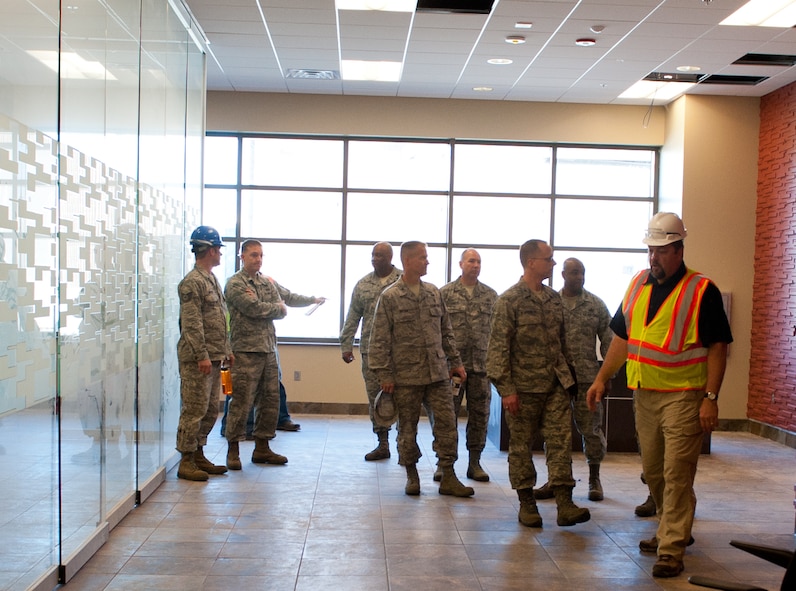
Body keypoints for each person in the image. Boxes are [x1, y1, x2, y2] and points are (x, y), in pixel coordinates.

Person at [586, 212, 732, 579]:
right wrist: (602, 378)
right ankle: (674, 525)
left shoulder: (702, 290)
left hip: (684, 396)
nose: (653, 258)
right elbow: (622, 338)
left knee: (677, 471)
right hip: (645, 395)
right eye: (650, 250)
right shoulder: (638, 285)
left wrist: (710, 397)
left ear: (679, 250)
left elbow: (718, 347)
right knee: (653, 472)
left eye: (662, 251)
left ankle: (671, 547)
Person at [487, 239, 590, 528]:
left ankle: (565, 503)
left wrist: (571, 378)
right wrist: (506, 390)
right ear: (531, 262)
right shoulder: (509, 301)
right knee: (521, 446)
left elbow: (563, 342)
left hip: (555, 384)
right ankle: (526, 503)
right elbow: (497, 350)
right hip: (523, 388)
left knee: (560, 442)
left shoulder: (553, 299)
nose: (553, 264)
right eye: (548, 259)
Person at [369, 241, 473, 497]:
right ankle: (412, 475)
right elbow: (379, 339)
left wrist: (456, 362)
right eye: (423, 258)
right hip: (406, 377)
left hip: (437, 374)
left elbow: (446, 331)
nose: (427, 262)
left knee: (448, 425)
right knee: (407, 428)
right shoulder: (390, 297)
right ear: (408, 261)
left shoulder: (433, 293)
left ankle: (448, 474)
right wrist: (385, 375)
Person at [223, 239, 324, 470]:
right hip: (245, 352)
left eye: (260, 255)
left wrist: (312, 300)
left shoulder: (267, 281)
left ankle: (262, 448)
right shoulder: (235, 284)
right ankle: (233, 450)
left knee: (270, 400)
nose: (258, 259)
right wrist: (277, 309)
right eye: (253, 255)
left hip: (268, 351)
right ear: (242, 257)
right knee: (240, 402)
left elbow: (286, 296)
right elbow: (253, 308)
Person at [533, 258, 613, 502]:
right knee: (555, 434)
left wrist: (607, 376)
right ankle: (556, 479)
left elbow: (610, 340)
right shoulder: (551, 304)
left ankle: (594, 478)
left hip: (587, 380)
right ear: (564, 275)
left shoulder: (595, 305)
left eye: (582, 273)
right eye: (574, 273)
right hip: (556, 381)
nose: (579, 277)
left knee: (591, 431)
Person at [175, 226, 233, 481]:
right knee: (195, 408)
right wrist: (201, 355)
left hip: (214, 356)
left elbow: (220, 319)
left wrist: (226, 350)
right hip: (198, 359)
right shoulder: (192, 282)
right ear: (210, 250)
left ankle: (198, 453)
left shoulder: (210, 279)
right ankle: (186, 460)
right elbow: (192, 323)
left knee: (210, 409)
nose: (220, 253)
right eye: (218, 249)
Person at [340, 242, 402, 460]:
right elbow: (353, 317)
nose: (375, 259)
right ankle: (382, 443)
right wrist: (346, 344)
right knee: (376, 399)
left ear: (391, 257)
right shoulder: (363, 284)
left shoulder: (402, 281)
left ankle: (404, 445)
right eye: (373, 255)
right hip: (371, 353)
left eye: (380, 255)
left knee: (405, 399)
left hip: (401, 353)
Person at [439, 248, 497, 481]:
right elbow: (439, 330)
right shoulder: (445, 294)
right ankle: (444, 464)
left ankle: (474, 463)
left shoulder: (491, 296)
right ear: (460, 264)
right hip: (453, 367)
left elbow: (498, 332)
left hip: (481, 368)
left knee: (480, 416)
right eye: (471, 261)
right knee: (447, 416)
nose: (476, 265)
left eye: (479, 262)